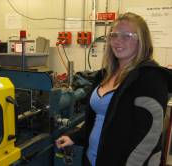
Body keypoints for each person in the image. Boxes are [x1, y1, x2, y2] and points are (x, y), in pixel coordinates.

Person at [55, 12, 172, 165]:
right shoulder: (105, 74)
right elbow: (97, 118)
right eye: (114, 35)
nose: (117, 41)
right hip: (92, 158)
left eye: (126, 35)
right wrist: (75, 136)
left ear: (141, 40)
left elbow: (149, 137)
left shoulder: (150, 78)